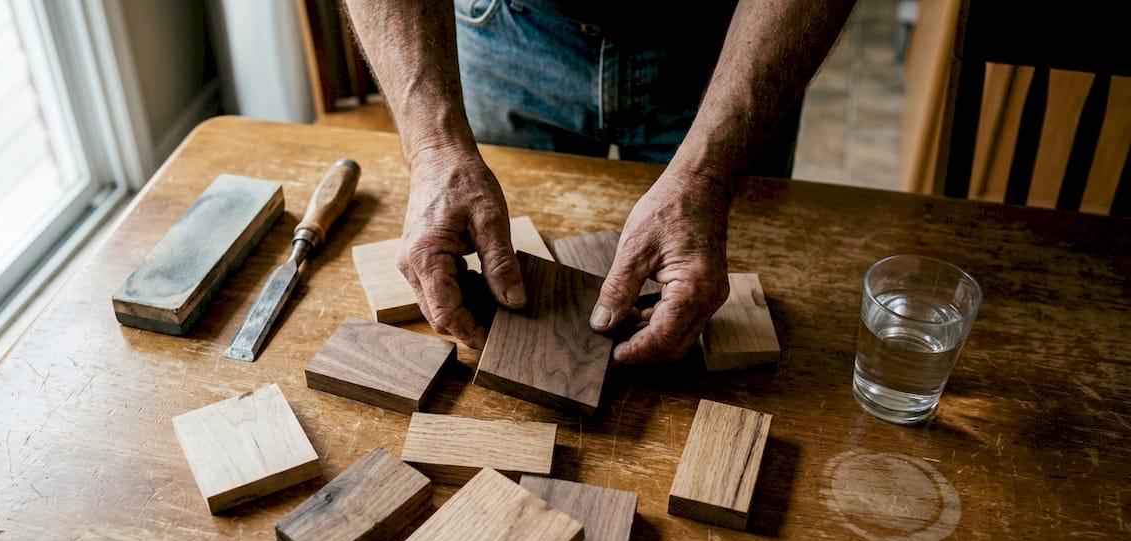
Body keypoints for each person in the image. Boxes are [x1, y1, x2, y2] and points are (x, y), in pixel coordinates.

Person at [340, 0, 857, 363]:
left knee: (715, 280)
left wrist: (707, 179)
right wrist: (433, 145)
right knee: (501, 250)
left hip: (732, 41)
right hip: (507, 28)